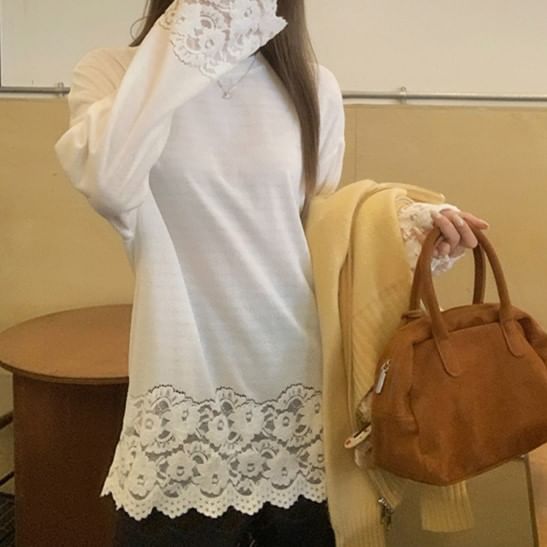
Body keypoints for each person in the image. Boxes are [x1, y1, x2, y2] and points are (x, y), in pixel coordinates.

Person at [54, 0, 489, 545]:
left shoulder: (313, 86)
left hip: (303, 401)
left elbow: (320, 230)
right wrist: (191, 30)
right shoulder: (113, 72)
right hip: (184, 399)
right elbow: (108, 183)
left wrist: (405, 229)